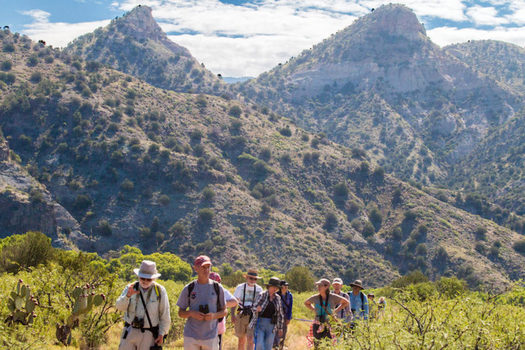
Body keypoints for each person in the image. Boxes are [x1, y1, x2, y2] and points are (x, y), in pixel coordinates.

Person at [116, 260, 171, 350]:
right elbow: (119, 307)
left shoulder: (160, 290)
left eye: (148, 279)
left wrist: (162, 334)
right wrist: (127, 296)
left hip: (148, 334)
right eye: (142, 278)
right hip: (130, 331)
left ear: (154, 279)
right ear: (138, 276)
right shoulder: (131, 287)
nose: (145, 281)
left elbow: (165, 314)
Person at [177, 255, 228, 350]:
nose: (206, 270)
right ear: (195, 268)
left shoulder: (217, 288)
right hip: (191, 336)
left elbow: (224, 311)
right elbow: (180, 313)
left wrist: (213, 316)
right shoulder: (189, 288)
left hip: (211, 336)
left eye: (208, 267)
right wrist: (191, 313)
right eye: (203, 267)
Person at [304, 278, 349, 349]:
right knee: (318, 345)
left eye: (320, 286)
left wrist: (335, 311)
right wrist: (314, 309)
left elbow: (346, 302)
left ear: (326, 286)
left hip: (329, 324)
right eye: (318, 286)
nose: (318, 287)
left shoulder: (332, 297)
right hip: (317, 324)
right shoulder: (315, 297)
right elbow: (306, 303)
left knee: (328, 345)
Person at [249, 277, 285, 350]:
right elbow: (253, 307)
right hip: (260, 322)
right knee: (259, 344)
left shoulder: (278, 298)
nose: (275, 289)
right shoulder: (262, 295)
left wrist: (280, 328)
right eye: (273, 287)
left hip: (272, 324)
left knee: (268, 346)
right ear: (269, 286)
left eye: (277, 288)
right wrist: (257, 309)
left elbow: (280, 314)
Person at [232, 269, 263, 350]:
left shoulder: (259, 289)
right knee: (241, 339)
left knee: (251, 340)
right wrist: (232, 315)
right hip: (241, 315)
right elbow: (235, 301)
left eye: (255, 279)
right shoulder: (240, 287)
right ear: (247, 278)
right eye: (251, 278)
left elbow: (261, 304)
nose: (253, 280)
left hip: (253, 316)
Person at [209, 272, 239, 350]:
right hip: (204, 324)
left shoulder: (222, 290)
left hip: (218, 324)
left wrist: (221, 304)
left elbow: (234, 302)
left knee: (218, 346)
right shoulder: (201, 289)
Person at [273, 280, 293, 350]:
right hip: (277, 316)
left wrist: (289, 318)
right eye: (284, 286)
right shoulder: (276, 295)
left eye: (287, 286)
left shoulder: (290, 295)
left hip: (285, 316)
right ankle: (275, 346)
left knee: (283, 331)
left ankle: (281, 346)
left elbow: (290, 307)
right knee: (275, 331)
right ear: (281, 287)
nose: (286, 287)